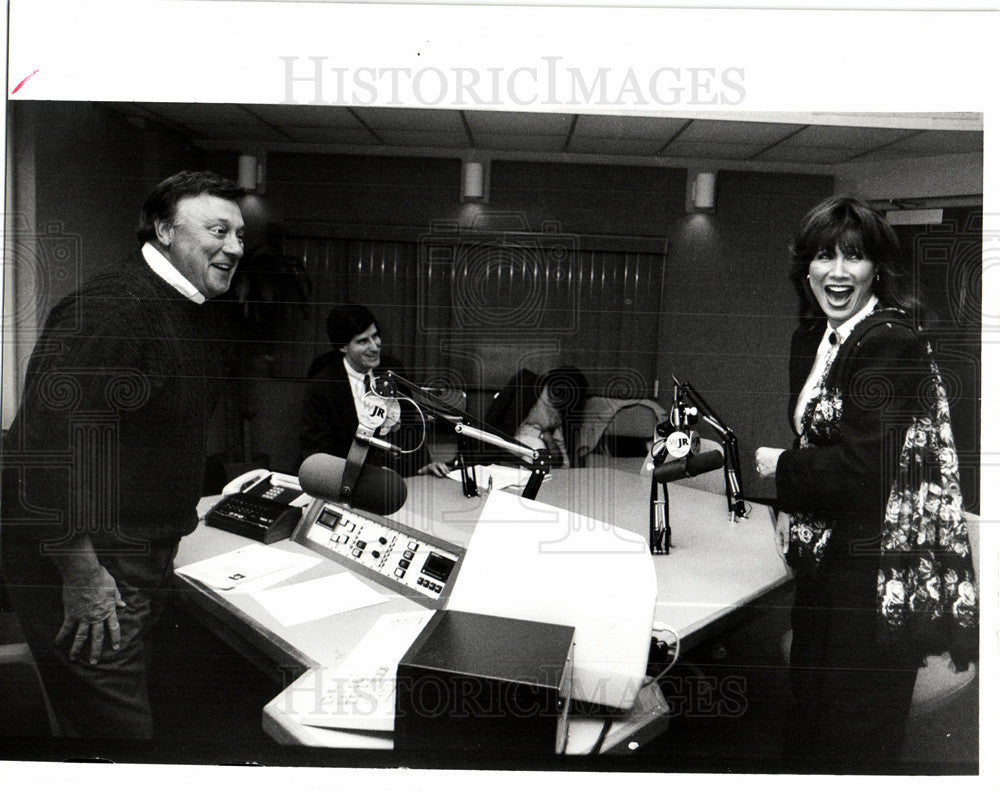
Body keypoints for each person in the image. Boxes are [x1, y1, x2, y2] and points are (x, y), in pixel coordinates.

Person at [0, 171, 247, 738]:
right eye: (217, 229)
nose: (234, 247)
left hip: (134, 556)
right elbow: (45, 450)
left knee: (126, 713)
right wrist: (81, 570)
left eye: (239, 234)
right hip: (89, 563)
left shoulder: (185, 309)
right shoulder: (114, 310)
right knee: (118, 734)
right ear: (163, 230)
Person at [754, 195, 978, 770]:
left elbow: (861, 472)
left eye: (853, 257)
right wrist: (791, 501)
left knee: (854, 737)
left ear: (876, 268)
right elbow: (816, 440)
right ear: (804, 268)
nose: (837, 271)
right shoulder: (812, 339)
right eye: (824, 256)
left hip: (877, 573)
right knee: (808, 715)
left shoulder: (889, 342)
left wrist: (778, 468)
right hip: (823, 565)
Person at [300, 304, 450, 477]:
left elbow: (410, 426)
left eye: (375, 336)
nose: (375, 346)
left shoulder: (392, 370)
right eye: (363, 341)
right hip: (346, 480)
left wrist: (424, 465)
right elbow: (317, 451)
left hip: (395, 478)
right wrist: (366, 477)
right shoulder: (322, 386)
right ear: (343, 347)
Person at [480, 366, 590, 467]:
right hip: (509, 439)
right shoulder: (528, 386)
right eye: (556, 393)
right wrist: (544, 435)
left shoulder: (565, 408)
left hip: (537, 444)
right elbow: (507, 423)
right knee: (537, 450)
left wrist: (566, 466)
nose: (558, 400)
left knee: (537, 455)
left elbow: (561, 440)